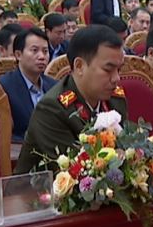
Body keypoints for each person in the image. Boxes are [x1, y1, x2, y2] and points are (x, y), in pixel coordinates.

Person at [15, 25, 128, 173]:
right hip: (41, 187)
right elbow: (76, 172)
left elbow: (126, 150)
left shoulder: (115, 99)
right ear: (79, 66)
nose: (116, 78)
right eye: (108, 69)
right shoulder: (52, 108)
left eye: (119, 69)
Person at [0, 27, 57, 142]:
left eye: (45, 51)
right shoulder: (3, 88)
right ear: (18, 55)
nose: (42, 57)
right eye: (34, 50)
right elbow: (3, 134)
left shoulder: (54, 85)